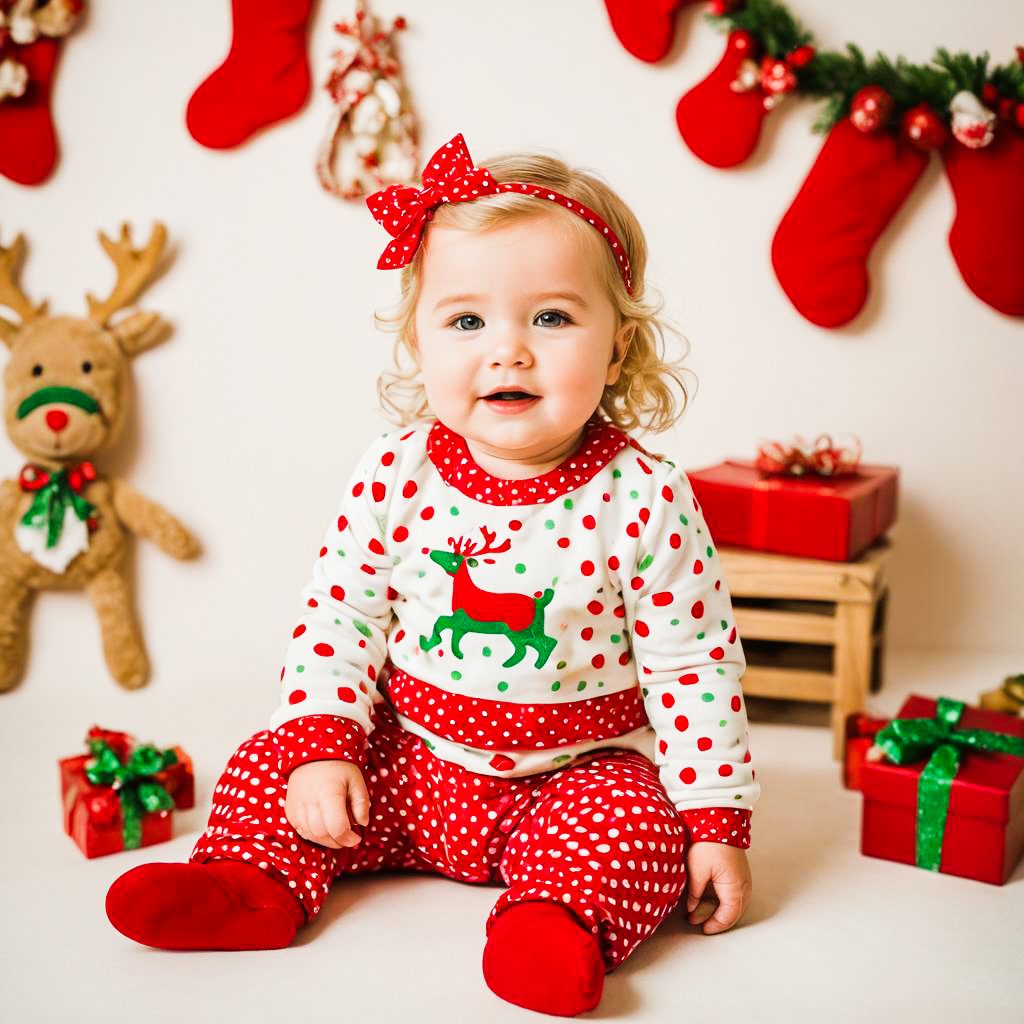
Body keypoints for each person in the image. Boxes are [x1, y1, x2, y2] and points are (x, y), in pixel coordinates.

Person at [106, 133, 759, 1018]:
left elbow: (692, 665)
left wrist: (718, 824)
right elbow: (341, 618)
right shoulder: (395, 473)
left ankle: (552, 922)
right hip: (405, 764)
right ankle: (246, 885)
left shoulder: (644, 495)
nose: (509, 350)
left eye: (553, 318)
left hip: (568, 783)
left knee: (642, 825)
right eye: (466, 320)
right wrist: (325, 744)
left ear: (618, 351)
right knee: (268, 764)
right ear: (417, 342)